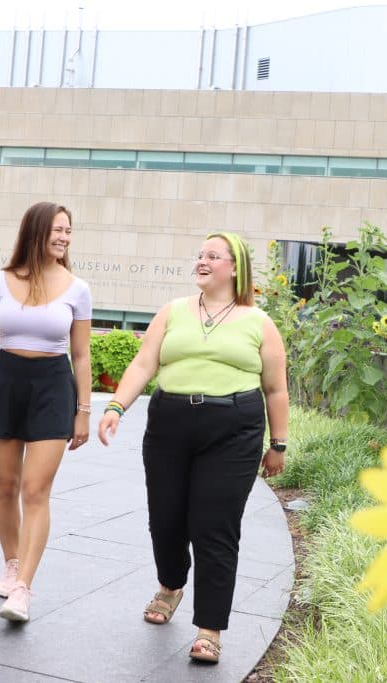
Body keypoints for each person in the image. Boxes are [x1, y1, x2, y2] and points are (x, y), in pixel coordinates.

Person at [97, 231, 289, 664]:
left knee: (215, 527)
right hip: (170, 424)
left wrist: (278, 443)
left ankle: (209, 629)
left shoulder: (259, 322)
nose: (202, 261)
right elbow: (144, 362)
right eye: (199, 255)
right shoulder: (173, 312)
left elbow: (276, 389)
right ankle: (170, 585)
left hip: (233, 430)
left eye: (213, 256)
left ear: (235, 267)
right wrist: (116, 406)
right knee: (165, 520)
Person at [0, 201, 92, 623]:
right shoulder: (0, 281)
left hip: (52, 385)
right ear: (35, 233)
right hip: (6, 381)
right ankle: (11, 563)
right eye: (56, 231)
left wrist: (83, 411)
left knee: (35, 490)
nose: (64, 238)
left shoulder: (77, 289)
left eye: (68, 231)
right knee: (6, 487)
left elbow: (81, 355)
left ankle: (24, 588)